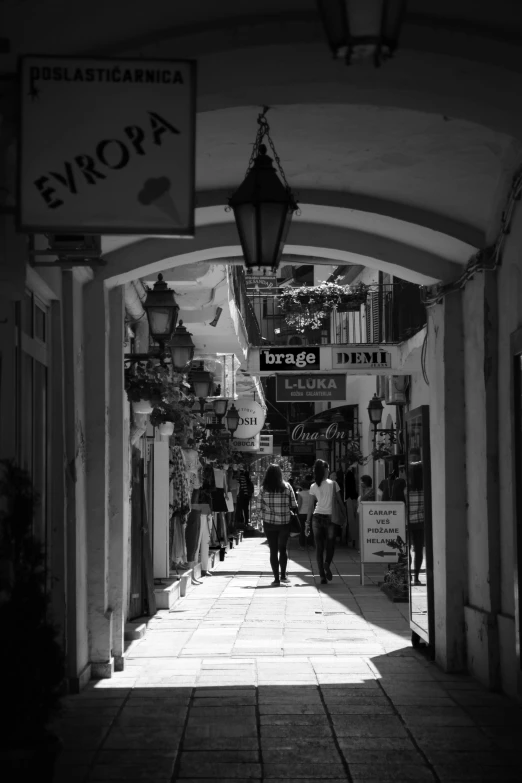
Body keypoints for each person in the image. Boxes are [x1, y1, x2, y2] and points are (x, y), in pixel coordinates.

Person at [259, 464, 298, 586]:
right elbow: (294, 505)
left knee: (273, 550)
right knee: (283, 548)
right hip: (284, 523)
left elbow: (260, 507)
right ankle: (283, 576)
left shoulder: (263, 489)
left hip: (269, 523)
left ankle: (276, 578)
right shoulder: (287, 487)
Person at [305, 459, 343, 584]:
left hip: (316, 518)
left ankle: (322, 576)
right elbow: (339, 502)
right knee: (330, 545)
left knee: (319, 548)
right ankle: (327, 563)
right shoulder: (333, 484)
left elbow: (310, 507)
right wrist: (345, 515)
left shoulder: (313, 486)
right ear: (326, 470)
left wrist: (307, 523)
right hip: (331, 518)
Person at [297, 478, 314, 549]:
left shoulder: (300, 494)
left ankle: (302, 545)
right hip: (310, 512)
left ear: (301, 486)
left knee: (302, 529)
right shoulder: (311, 493)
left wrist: (297, 511)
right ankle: (310, 545)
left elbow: (299, 504)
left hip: (302, 513)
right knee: (310, 528)